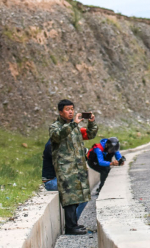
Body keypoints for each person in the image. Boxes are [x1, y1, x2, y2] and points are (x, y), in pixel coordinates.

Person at [49, 99, 97, 235]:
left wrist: (91, 122)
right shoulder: (55, 127)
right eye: (67, 109)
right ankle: (70, 227)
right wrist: (73, 124)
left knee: (79, 196)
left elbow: (91, 134)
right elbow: (58, 136)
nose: (71, 112)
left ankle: (74, 224)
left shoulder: (75, 128)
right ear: (60, 112)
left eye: (72, 109)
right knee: (69, 198)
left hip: (79, 167)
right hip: (65, 169)